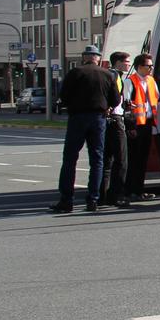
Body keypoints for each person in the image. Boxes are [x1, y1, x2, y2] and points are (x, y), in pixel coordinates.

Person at [51, 45, 118, 213]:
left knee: (70, 158)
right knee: (97, 159)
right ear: (97, 58)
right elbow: (116, 99)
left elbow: (64, 96)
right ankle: (93, 199)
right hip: (99, 118)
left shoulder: (75, 73)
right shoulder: (107, 74)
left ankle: (66, 200)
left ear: (84, 57)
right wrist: (106, 106)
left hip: (77, 117)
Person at [99, 52, 133, 208]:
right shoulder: (115, 76)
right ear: (118, 62)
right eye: (126, 61)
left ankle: (102, 195)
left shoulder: (107, 74)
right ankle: (117, 195)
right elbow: (115, 98)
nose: (128, 64)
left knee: (106, 160)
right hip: (115, 120)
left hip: (105, 120)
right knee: (121, 159)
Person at [126, 53, 160, 201]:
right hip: (135, 125)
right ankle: (129, 190)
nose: (151, 68)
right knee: (133, 159)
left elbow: (156, 98)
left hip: (147, 124)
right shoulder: (130, 81)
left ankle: (139, 190)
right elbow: (127, 106)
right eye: (149, 65)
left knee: (143, 159)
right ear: (139, 67)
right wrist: (130, 126)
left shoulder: (151, 81)